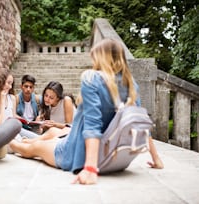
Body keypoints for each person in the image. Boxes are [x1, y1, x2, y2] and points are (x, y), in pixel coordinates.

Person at [9, 38, 164, 185]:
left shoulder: (92, 78)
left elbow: (92, 125)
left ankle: (10, 143)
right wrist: (156, 159)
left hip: (77, 154)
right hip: (113, 158)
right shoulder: (131, 85)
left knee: (33, 149)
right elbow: (138, 122)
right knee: (51, 136)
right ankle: (23, 140)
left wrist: (90, 169)